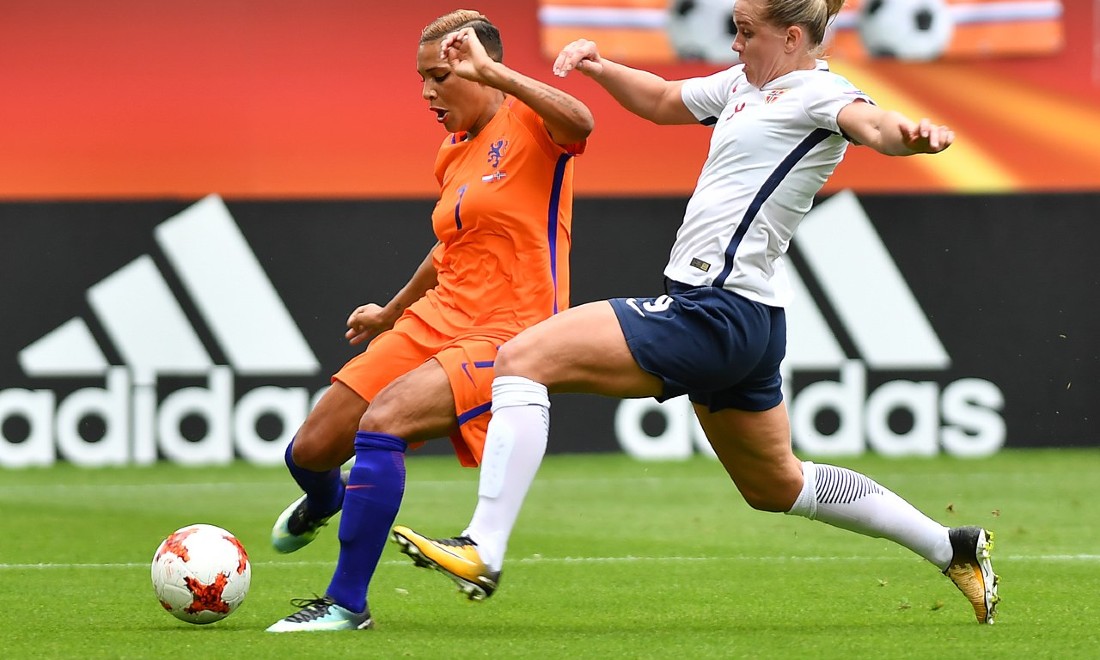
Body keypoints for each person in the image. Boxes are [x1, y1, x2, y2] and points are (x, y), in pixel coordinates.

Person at [390, 0, 1000, 625]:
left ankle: (483, 547)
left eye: (745, 32)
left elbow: (874, 126)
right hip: (749, 319)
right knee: (775, 486)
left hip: (716, 310)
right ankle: (949, 544)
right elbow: (660, 99)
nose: (734, 44)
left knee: (521, 358)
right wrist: (600, 65)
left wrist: (913, 138)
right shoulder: (743, 86)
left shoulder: (819, 93)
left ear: (791, 37)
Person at [265, 9, 593, 632]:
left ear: (480, 68)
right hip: (434, 317)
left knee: (383, 423)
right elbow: (449, 247)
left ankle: (344, 604)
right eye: (422, 78)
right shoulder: (453, 152)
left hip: (507, 333)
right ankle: (326, 498)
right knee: (309, 451)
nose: (427, 92)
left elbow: (583, 120)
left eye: (440, 76)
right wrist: (391, 312)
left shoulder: (535, 126)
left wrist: (499, 72)